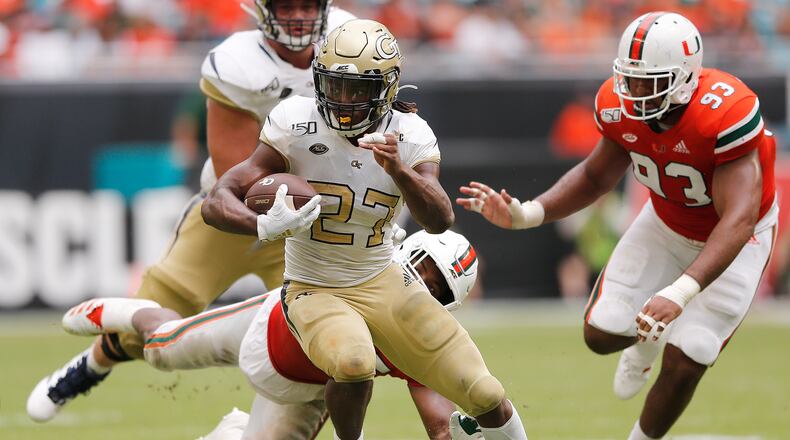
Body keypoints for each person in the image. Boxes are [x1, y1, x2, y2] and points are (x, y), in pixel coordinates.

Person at [27, 0, 355, 422]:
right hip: (234, 218)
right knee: (157, 317)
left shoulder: (352, 41)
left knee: (328, 337)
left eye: (307, 4)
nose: (298, 15)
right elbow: (233, 178)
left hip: (311, 225)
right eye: (285, 5)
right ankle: (91, 365)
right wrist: (282, 213)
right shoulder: (238, 64)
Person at [201, 18, 527, 440]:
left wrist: (400, 170)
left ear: (386, 90)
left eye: (357, 90)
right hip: (313, 284)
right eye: (335, 85)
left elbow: (439, 219)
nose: (343, 100)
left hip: (381, 277)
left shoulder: (408, 134)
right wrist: (261, 224)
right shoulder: (295, 121)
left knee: (484, 390)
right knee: (353, 362)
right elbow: (217, 199)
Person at [457, 11, 777, 440]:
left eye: (651, 82)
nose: (636, 92)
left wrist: (679, 292)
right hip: (665, 222)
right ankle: (643, 345)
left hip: (737, 237)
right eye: (631, 79)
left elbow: (737, 220)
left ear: (684, 77)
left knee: (693, 350)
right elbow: (594, 176)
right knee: (601, 333)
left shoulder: (724, 111)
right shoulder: (618, 105)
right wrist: (528, 213)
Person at [62, 230, 480, 440]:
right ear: (408, 249)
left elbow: (440, 424)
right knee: (161, 349)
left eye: (437, 289)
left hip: (304, 392)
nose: (422, 286)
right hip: (267, 328)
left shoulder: (422, 340)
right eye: (424, 268)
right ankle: (132, 314)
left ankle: (233, 431)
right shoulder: (364, 262)